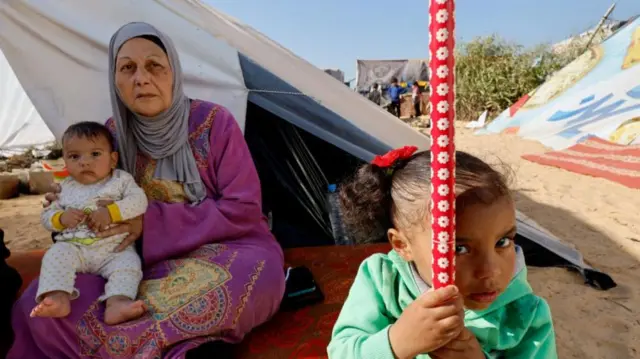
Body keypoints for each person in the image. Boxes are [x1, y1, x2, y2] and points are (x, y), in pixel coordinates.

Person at [8, 22, 285, 359]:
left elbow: (243, 209)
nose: (141, 77)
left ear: (173, 73)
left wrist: (149, 224)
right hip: (129, 262)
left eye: (154, 65)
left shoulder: (214, 122)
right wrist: (70, 202)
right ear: (116, 81)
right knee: (42, 301)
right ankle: (187, 347)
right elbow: (94, 199)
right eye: (128, 68)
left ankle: (143, 348)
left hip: (225, 250)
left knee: (253, 276)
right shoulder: (110, 137)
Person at [327, 147, 557, 359]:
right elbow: (341, 352)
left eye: (502, 242)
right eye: (459, 248)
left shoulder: (526, 316)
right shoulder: (382, 281)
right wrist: (397, 341)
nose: (490, 270)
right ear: (402, 245)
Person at [32, 122, 148, 325]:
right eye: (75, 156)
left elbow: (139, 201)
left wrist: (111, 212)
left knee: (129, 265)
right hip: (75, 248)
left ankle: (117, 303)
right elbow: (47, 216)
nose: (85, 162)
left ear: (113, 159)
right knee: (55, 254)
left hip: (114, 250)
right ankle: (58, 296)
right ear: (65, 161)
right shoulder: (64, 187)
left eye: (95, 154)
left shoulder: (121, 180)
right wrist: (60, 218)